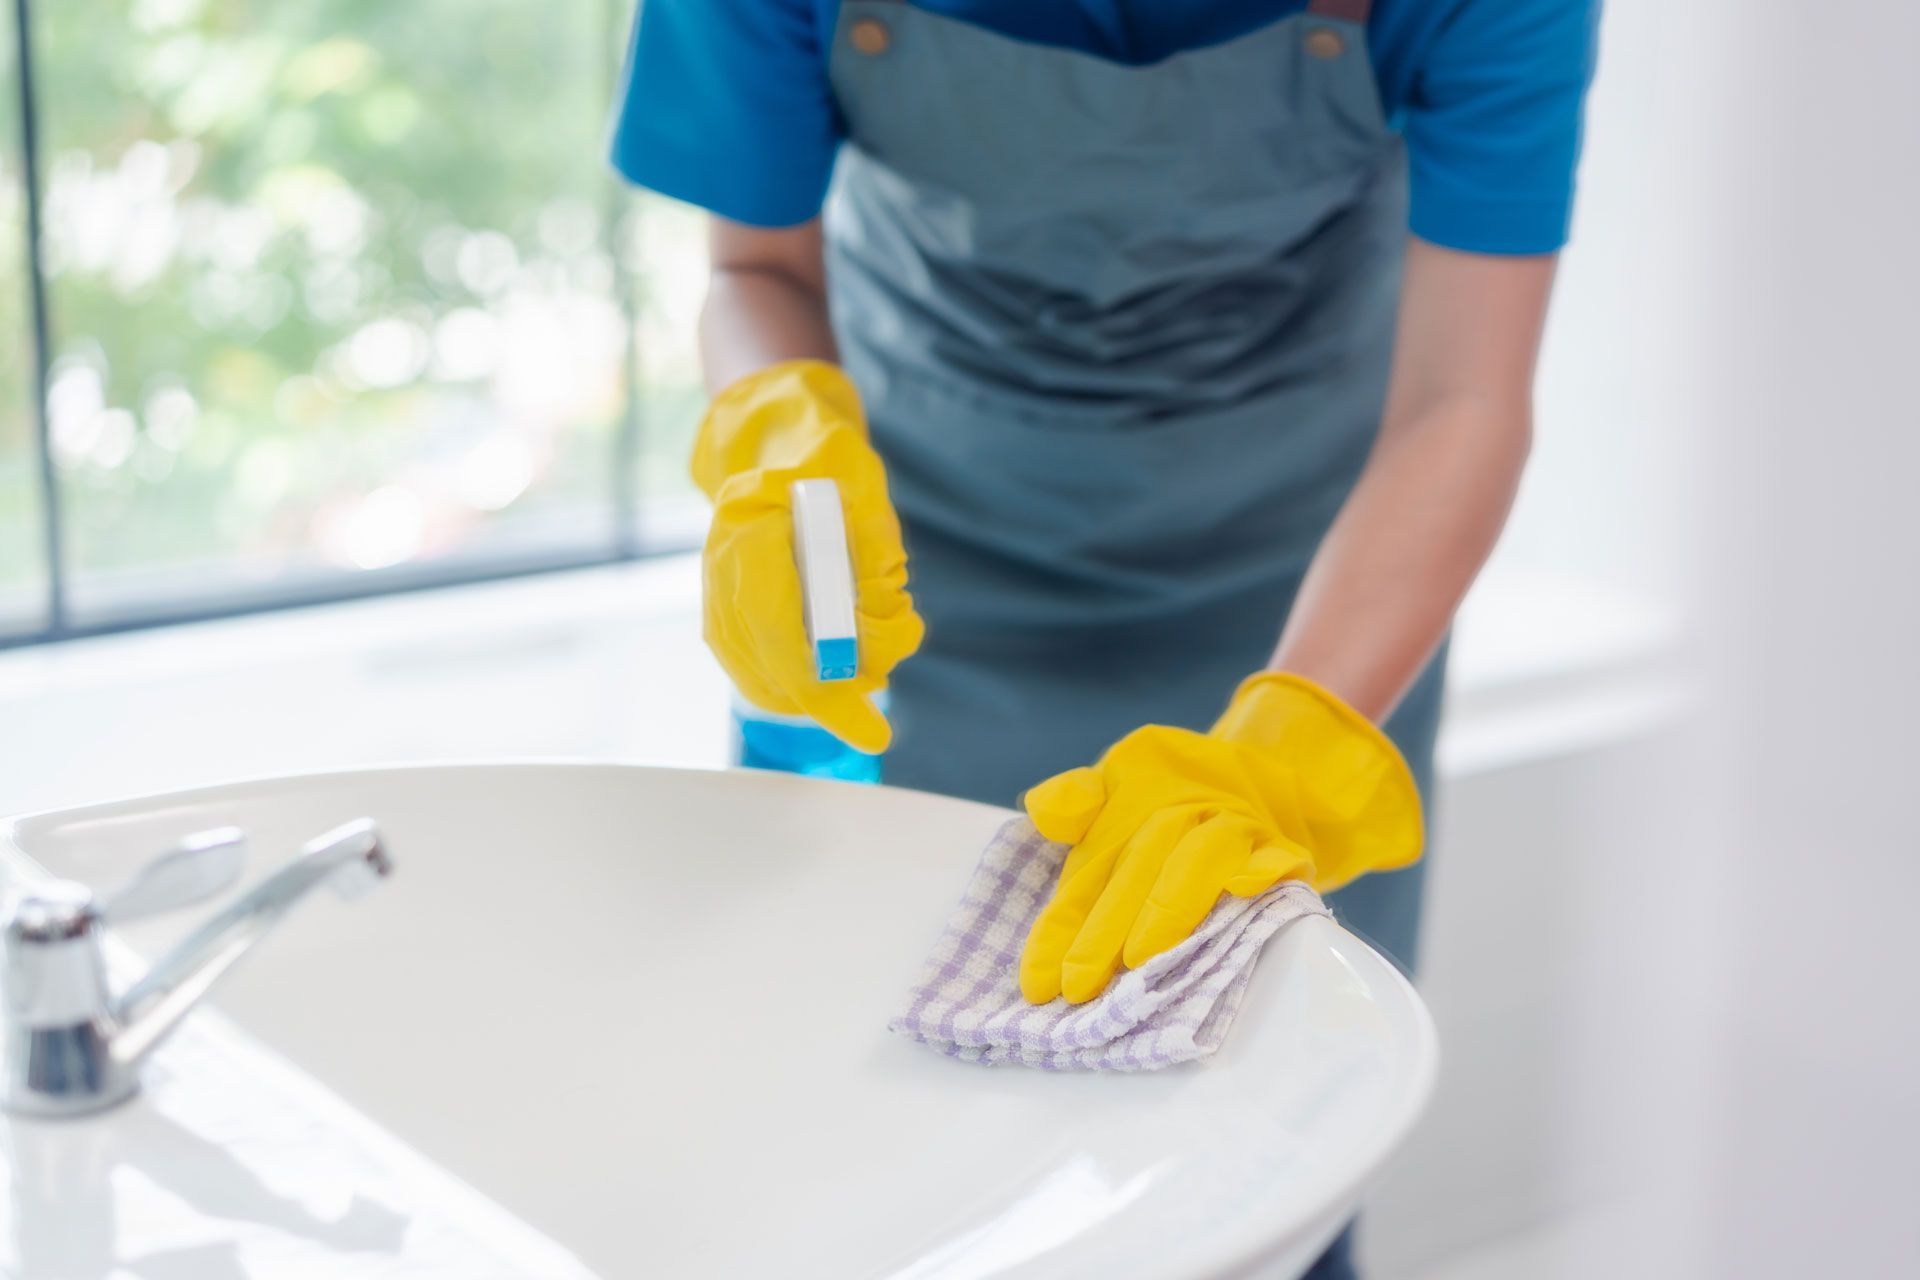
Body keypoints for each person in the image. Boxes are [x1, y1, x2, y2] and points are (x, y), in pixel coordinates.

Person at [613, 2, 1596, 1274]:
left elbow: (1464, 397)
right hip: (908, 566)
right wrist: (777, 434)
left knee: (1265, 1145)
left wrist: (1284, 745)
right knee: (881, 1157)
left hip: (1316, 601)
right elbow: (757, 271)